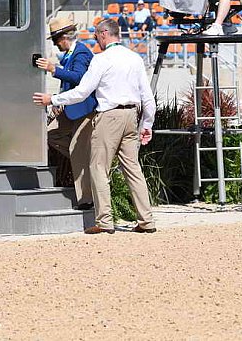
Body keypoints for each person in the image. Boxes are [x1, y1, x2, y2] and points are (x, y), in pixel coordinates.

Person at [33, 19, 157, 234]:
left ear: (103, 34)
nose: (95, 40)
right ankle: (147, 221)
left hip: (109, 116)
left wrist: (52, 99)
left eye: (96, 36)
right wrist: (147, 124)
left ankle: (105, 221)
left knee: (98, 168)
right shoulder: (135, 58)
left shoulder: (101, 60)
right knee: (133, 170)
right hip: (131, 116)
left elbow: (82, 91)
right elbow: (148, 97)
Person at [36, 18, 97, 210]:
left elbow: (79, 78)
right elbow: (70, 83)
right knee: (50, 135)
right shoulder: (73, 54)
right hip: (72, 109)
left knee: (77, 152)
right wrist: (59, 99)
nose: (54, 44)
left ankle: (86, 199)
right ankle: (84, 156)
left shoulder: (80, 53)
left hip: (84, 110)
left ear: (63, 38)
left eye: (55, 39)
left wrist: (54, 69)